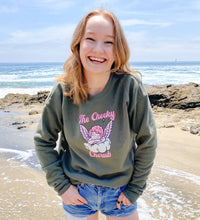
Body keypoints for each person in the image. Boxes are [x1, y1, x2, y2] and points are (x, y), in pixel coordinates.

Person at [34, 9, 157, 220]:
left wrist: (135, 189)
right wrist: (62, 187)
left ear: (118, 49)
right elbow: (43, 141)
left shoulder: (129, 86)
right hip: (78, 191)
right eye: (90, 39)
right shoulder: (64, 90)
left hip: (121, 192)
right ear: (78, 44)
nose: (98, 49)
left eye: (109, 42)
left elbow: (148, 141)